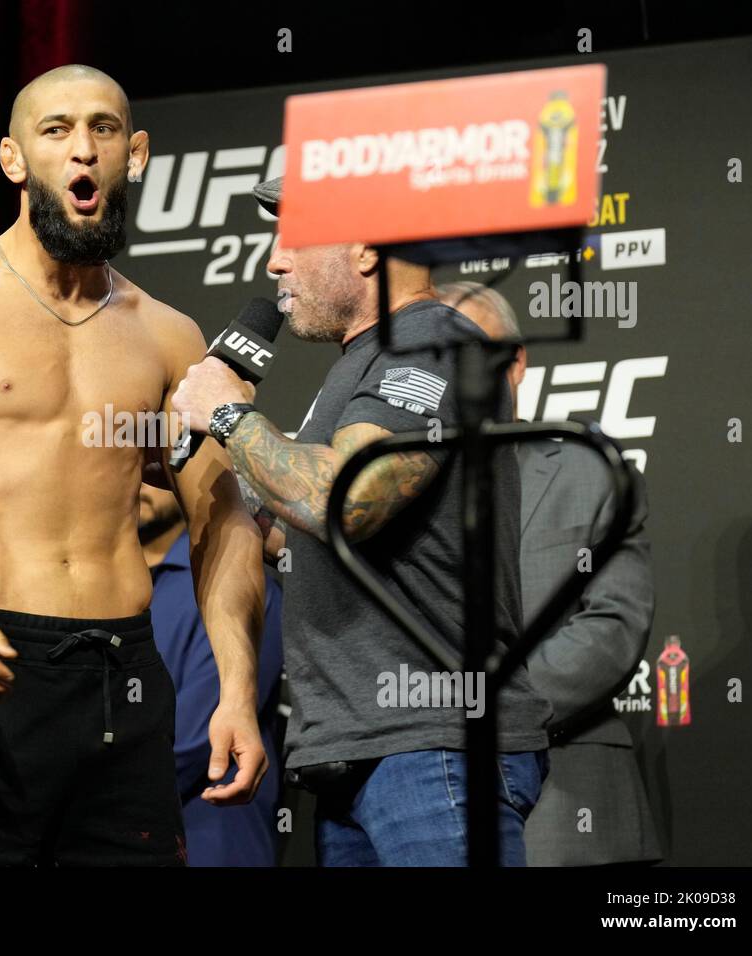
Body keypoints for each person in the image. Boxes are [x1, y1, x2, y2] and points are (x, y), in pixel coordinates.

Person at [0, 65, 267, 866]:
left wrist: (237, 686)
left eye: (103, 130)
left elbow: (219, 517)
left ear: (133, 154)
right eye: (56, 130)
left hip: (121, 680)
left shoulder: (167, 335)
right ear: (13, 158)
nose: (82, 152)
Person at [173, 177, 553, 867]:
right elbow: (308, 532)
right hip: (358, 750)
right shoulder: (363, 364)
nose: (274, 262)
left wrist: (230, 417)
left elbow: (347, 501)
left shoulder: (435, 344)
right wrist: (217, 484)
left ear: (368, 247)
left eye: (293, 238)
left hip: (434, 745)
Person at [438, 281, 662, 866]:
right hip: (418, 803)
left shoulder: (590, 471)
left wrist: (481, 707)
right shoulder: (391, 489)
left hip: (567, 800)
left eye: (473, 354)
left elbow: (611, 626)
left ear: (515, 362)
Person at [140, 481, 284, 866]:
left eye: (149, 460)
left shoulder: (233, 588)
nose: (136, 478)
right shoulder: (101, 597)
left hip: (211, 841)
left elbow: (193, 744)